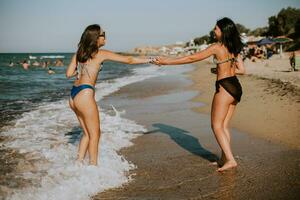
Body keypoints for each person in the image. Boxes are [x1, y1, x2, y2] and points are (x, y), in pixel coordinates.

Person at [154, 17, 246, 172]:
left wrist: (166, 62)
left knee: (216, 126)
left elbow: (191, 57)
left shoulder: (217, 47)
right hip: (235, 86)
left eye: (216, 28)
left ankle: (230, 159)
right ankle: (225, 158)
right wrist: (219, 70)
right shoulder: (235, 47)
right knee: (224, 125)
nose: (214, 30)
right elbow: (242, 70)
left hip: (224, 87)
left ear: (223, 31)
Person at [66, 24, 152, 166]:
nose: (105, 36)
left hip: (73, 96)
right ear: (96, 38)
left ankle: (78, 164)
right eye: (103, 34)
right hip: (85, 94)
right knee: (95, 134)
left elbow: (68, 74)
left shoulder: (79, 53)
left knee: (87, 133)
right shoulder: (101, 53)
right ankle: (93, 167)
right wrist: (150, 60)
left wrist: (81, 71)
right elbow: (129, 60)